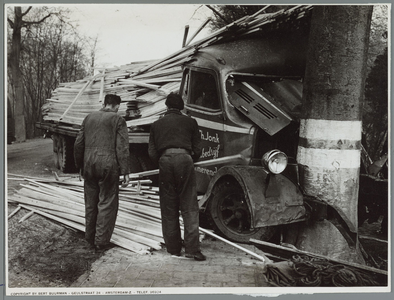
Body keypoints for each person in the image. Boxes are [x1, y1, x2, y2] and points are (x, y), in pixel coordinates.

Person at [148, 93, 205, 261]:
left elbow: (151, 151)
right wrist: (187, 159)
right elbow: (198, 149)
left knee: (168, 206)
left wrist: (163, 160)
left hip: (165, 161)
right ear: (181, 107)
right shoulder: (191, 122)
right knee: (189, 206)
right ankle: (192, 250)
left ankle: (173, 249)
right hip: (185, 160)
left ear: (166, 106)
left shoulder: (156, 124)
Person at [74, 94, 130, 251]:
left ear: (105, 103)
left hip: (88, 165)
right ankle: (101, 241)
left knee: (90, 203)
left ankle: (90, 238)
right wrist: (125, 170)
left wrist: (80, 166)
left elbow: (78, 143)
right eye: (118, 106)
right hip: (108, 165)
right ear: (116, 105)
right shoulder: (118, 120)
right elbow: (122, 147)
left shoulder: (89, 118)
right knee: (107, 201)